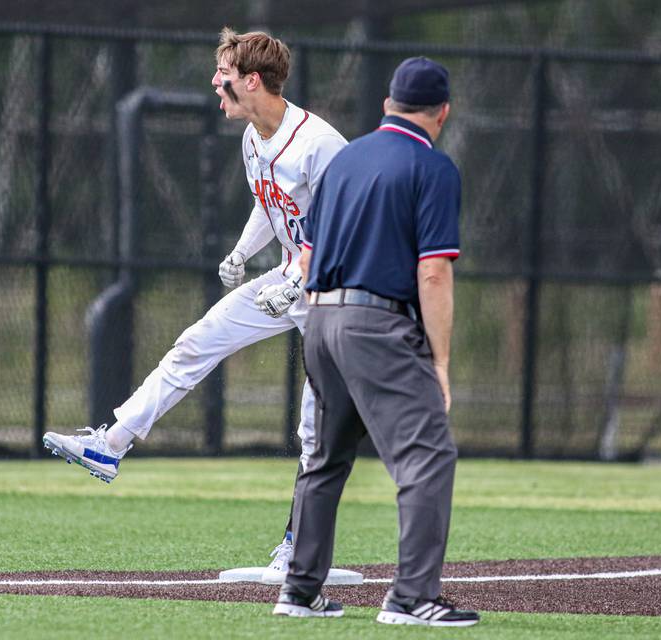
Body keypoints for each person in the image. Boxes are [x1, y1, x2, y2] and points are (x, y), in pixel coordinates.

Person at [43, 28, 347, 576]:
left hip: (338, 292)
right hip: (288, 276)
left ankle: (298, 548)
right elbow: (270, 205)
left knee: (313, 429)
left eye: (224, 74)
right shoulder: (254, 137)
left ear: (252, 81)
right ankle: (111, 444)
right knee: (197, 340)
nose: (215, 82)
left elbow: (342, 229)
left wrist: (299, 279)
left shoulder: (319, 144)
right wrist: (242, 252)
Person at [272, 57, 480, 626]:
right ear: (443, 113)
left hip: (321, 320)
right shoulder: (433, 168)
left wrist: (325, 320)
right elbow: (433, 272)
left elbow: (306, 253)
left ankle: (300, 589)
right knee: (428, 457)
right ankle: (412, 597)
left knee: (325, 458)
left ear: (387, 104)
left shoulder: (345, 161)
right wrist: (439, 362)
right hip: (377, 325)